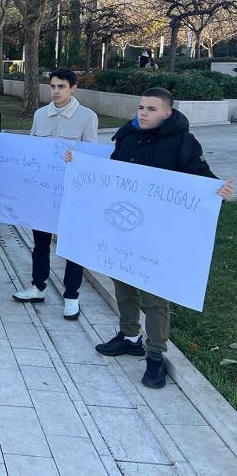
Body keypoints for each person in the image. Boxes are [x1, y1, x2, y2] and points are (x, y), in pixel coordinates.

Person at [80, 87, 233, 388]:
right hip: (125, 228)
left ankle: (155, 356)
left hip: (160, 234)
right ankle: (129, 336)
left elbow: (199, 176)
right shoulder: (126, 136)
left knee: (155, 296)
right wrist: (79, 165)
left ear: (167, 112)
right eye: (140, 107)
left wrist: (218, 191)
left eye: (151, 109)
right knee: (122, 283)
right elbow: (111, 171)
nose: (143, 113)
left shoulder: (183, 142)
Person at [9, 69, 98, 320]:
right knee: (40, 242)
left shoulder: (86, 117)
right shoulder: (40, 114)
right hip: (43, 192)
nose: (56, 91)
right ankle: (38, 286)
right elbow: (30, 148)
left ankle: (71, 295)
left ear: (73, 88)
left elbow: (93, 156)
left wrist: (77, 158)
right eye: (53, 86)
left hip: (71, 193)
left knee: (71, 245)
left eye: (61, 86)